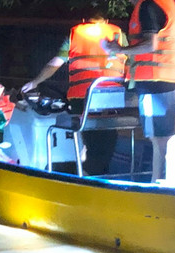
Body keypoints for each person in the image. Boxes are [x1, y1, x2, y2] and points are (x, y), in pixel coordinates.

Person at [105, 0, 175, 181]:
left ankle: (158, 185)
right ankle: (163, 182)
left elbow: (151, 45)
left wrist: (120, 50)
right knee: (162, 137)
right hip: (166, 81)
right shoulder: (165, 3)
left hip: (154, 83)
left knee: (157, 139)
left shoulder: (148, 5)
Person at [22, 18, 126, 175]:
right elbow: (131, 61)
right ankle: (97, 172)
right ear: (105, 19)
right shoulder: (118, 33)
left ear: (86, 20)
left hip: (82, 99)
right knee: (105, 140)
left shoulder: (75, 35)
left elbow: (56, 62)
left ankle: (89, 173)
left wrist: (35, 82)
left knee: (90, 139)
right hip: (111, 98)